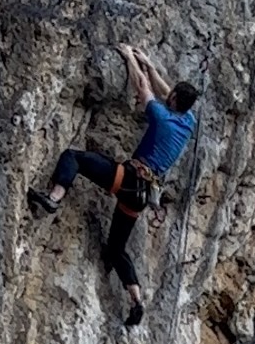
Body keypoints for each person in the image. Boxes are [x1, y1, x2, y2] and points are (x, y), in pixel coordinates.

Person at [31, 44, 200, 322]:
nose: (167, 95)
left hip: (129, 178)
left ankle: (54, 197)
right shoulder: (187, 121)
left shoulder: (161, 117)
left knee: (75, 157)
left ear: (173, 101)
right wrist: (151, 64)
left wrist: (130, 58)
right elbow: (162, 88)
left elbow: (143, 86)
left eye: (170, 96)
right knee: (116, 248)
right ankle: (136, 300)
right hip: (142, 195)